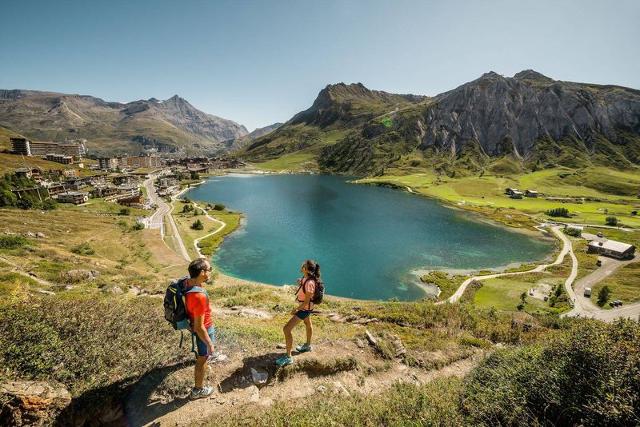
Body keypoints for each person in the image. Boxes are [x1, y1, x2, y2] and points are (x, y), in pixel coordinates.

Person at [276, 259, 320, 367]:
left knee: (286, 329)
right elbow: (305, 286)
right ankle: (308, 346)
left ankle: (288, 357)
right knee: (308, 324)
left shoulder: (310, 283)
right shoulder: (307, 278)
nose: (301, 266)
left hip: (304, 309)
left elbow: (307, 301)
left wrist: (296, 309)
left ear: (306, 270)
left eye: (303, 265)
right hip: (307, 308)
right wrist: (301, 281)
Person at [183, 257, 216, 399]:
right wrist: (209, 344)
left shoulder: (186, 283)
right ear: (202, 272)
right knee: (203, 358)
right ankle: (198, 390)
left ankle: (203, 357)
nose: (210, 272)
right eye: (209, 270)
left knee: (203, 354)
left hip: (193, 323)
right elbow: (199, 327)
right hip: (204, 329)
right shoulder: (199, 296)